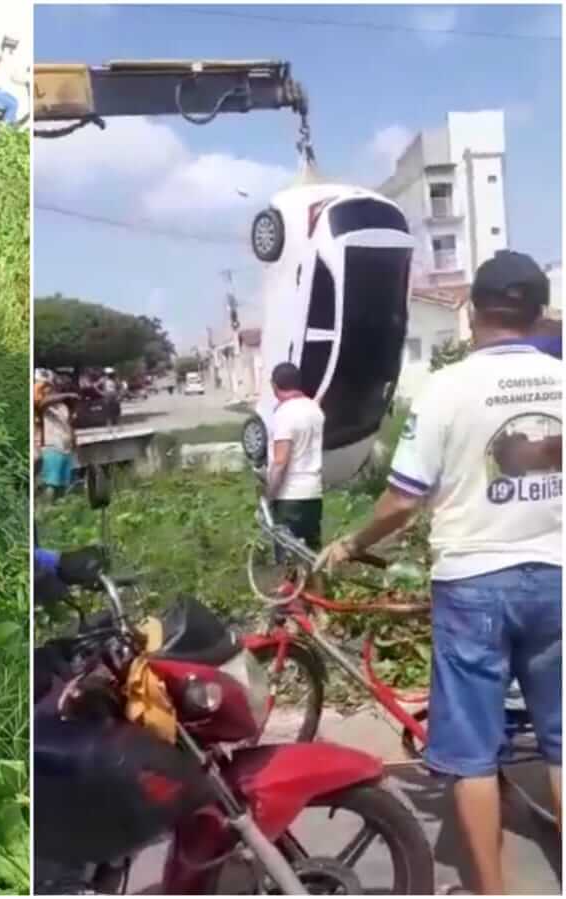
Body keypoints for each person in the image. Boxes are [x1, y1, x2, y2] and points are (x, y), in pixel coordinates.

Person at [319, 249, 562, 895]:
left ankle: (491, 890)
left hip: (474, 583)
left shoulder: (446, 388)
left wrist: (351, 542)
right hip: (557, 577)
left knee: (474, 753)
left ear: (473, 311)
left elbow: (403, 499)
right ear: (539, 314)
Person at [263, 362, 326, 552]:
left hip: (290, 497)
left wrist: (269, 496)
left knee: (289, 559)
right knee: (312, 555)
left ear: (274, 386)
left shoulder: (285, 413)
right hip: (313, 494)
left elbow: (280, 462)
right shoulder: (314, 409)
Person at [36, 370, 79, 498]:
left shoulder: (64, 407)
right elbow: (44, 402)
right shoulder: (46, 406)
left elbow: (69, 425)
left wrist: (74, 443)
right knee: (51, 484)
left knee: (63, 485)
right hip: (52, 447)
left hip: (66, 448)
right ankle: (46, 506)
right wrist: (67, 395)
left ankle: (57, 506)